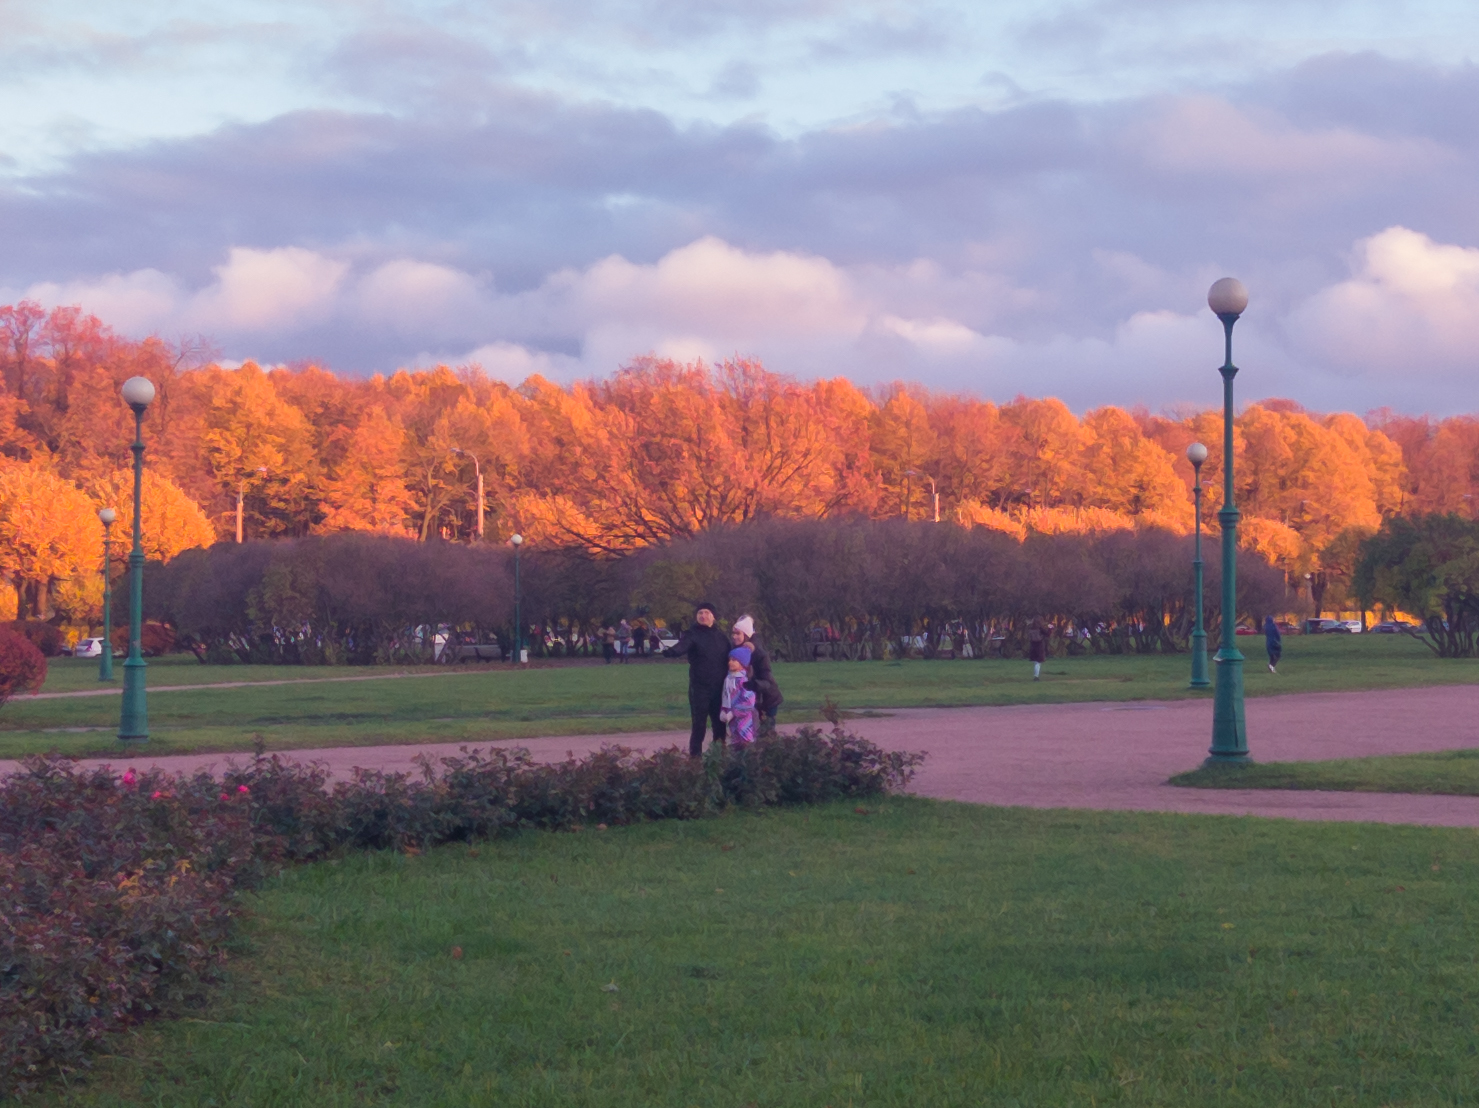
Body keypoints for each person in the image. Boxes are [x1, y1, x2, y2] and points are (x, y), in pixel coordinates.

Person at [662, 602, 731, 756]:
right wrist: (672, 652)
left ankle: (719, 757)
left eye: (707, 612)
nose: (703, 616)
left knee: (719, 725)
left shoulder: (721, 637)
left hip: (719, 689)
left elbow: (732, 656)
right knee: (699, 726)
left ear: (713, 616)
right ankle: (695, 762)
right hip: (700, 689)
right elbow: (682, 646)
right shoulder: (692, 634)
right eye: (700, 613)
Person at [731, 614, 783, 735]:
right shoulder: (735, 652)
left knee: (766, 736)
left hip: (767, 700)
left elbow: (768, 682)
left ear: (746, 635)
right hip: (748, 700)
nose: (734, 637)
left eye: (738, 634)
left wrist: (750, 685)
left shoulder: (759, 653)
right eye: (733, 633)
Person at [720, 645, 758, 745]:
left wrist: (733, 712)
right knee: (734, 741)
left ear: (743, 664)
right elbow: (726, 696)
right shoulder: (729, 678)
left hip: (744, 721)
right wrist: (723, 710)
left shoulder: (743, 681)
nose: (730, 662)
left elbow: (748, 702)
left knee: (745, 742)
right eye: (730, 660)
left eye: (734, 660)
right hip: (733, 720)